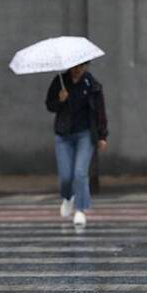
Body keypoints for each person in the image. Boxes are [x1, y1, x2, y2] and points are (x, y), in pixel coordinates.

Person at [46, 63, 108, 229]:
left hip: (85, 134)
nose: (78, 69)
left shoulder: (92, 84)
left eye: (82, 66)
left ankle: (80, 209)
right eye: (75, 66)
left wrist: (102, 135)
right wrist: (60, 100)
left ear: (86, 66)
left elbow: (100, 111)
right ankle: (68, 197)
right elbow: (49, 105)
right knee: (66, 176)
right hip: (63, 135)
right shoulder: (60, 82)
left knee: (80, 173)